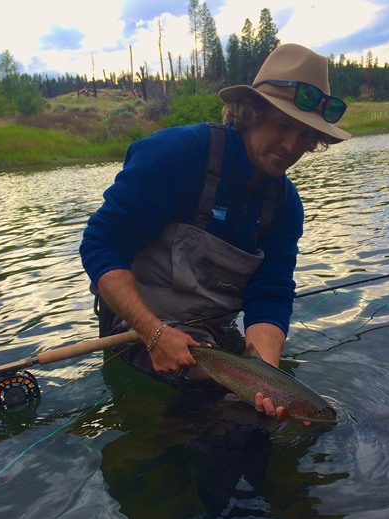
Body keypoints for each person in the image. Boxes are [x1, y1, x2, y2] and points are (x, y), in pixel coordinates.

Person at [80, 43, 351, 418]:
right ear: (251, 112)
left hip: (209, 332)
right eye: (283, 124)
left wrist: (267, 380)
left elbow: (270, 292)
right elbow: (101, 244)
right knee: (227, 427)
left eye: (306, 134)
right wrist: (154, 333)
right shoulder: (177, 153)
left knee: (262, 420)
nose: (292, 146)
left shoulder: (285, 206)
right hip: (135, 322)